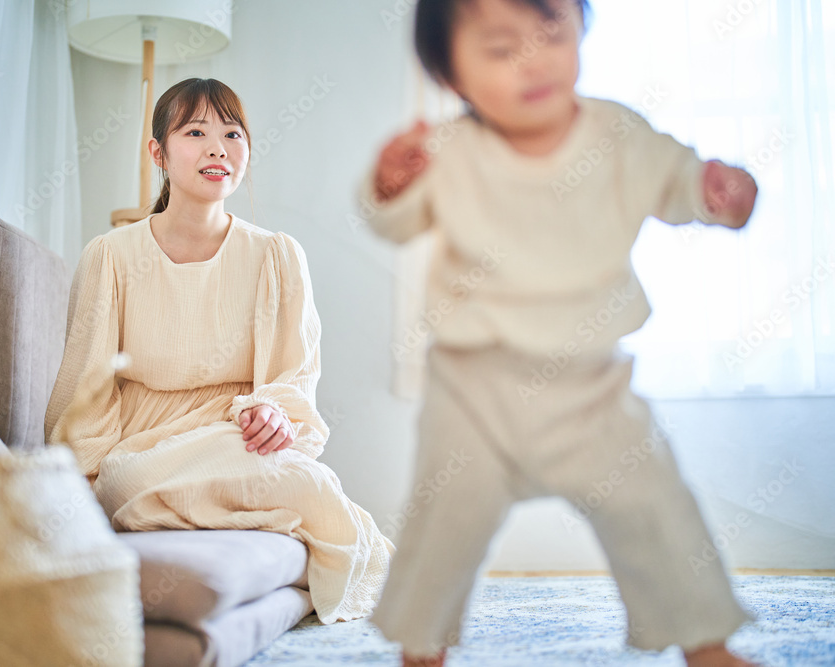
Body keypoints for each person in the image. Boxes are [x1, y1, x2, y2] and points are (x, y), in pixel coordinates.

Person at [361, 0, 759, 665]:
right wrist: (390, 182)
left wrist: (718, 192)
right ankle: (421, 645)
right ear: (451, 76)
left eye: (551, 33)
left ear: (581, 29)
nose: (533, 59)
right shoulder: (448, 152)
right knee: (445, 516)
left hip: (591, 385)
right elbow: (392, 222)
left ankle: (707, 642)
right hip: (474, 386)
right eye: (500, 48)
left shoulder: (617, 134)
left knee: (656, 503)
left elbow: (680, 181)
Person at [45, 77, 393, 624]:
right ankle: (287, 544)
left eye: (233, 134)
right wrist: (86, 486)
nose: (218, 149)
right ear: (158, 152)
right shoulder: (110, 255)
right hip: (142, 449)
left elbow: (294, 375)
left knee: (307, 481)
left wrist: (274, 413)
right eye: (195, 133)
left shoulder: (276, 255)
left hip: (236, 437)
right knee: (127, 482)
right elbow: (85, 387)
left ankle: (276, 530)